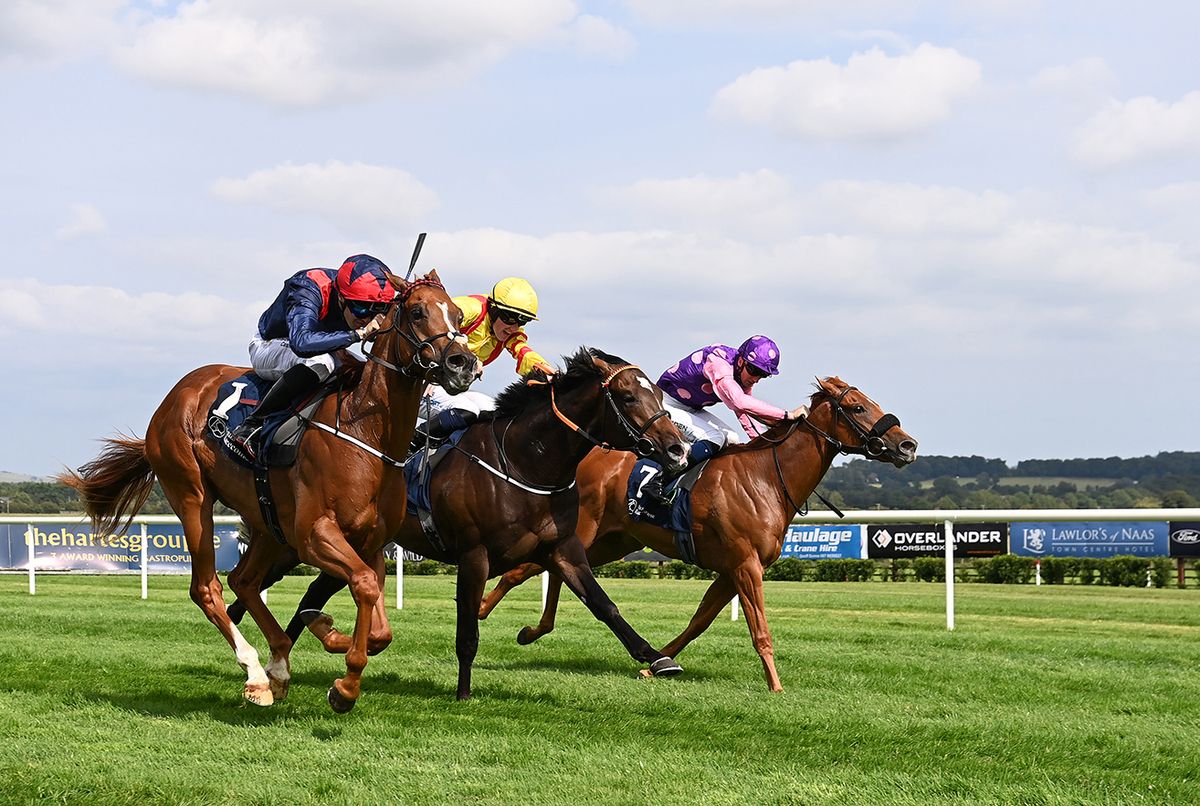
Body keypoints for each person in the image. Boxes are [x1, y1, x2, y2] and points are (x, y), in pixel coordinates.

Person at [225, 254, 394, 462]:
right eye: (360, 307)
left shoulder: (357, 301)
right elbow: (302, 343)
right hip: (272, 344)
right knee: (322, 362)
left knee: (368, 372)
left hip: (327, 348)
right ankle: (251, 426)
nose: (366, 317)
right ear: (341, 297)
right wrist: (357, 335)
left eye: (377, 309)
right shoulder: (308, 287)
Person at [640, 336, 807, 505]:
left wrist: (760, 442)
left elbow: (744, 412)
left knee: (732, 437)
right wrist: (787, 415)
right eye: (755, 371)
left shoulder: (742, 375)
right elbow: (739, 401)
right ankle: (657, 479)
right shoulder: (719, 364)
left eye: (762, 375)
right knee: (715, 437)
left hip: (691, 408)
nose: (756, 379)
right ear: (741, 361)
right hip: (665, 403)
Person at [414, 277, 554, 442]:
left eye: (522, 320)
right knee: (467, 410)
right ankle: (410, 444)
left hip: (449, 385)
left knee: (496, 412)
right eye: (510, 317)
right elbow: (436, 318)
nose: (514, 327)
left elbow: (523, 352)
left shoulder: (508, 334)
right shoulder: (471, 308)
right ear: (493, 309)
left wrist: (545, 369)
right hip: (424, 381)